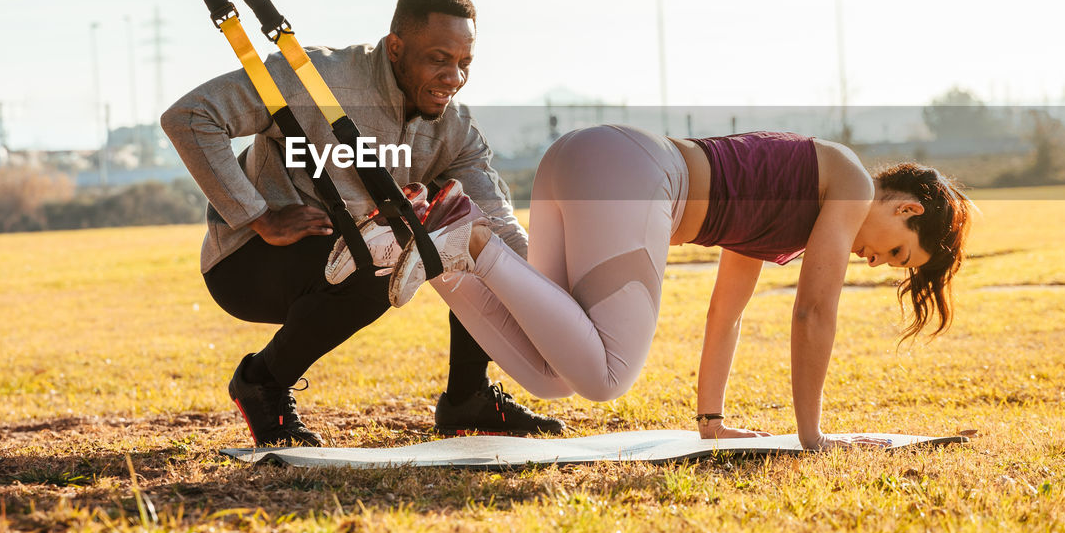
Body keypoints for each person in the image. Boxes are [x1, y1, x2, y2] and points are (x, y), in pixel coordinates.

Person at [380, 125, 972, 451]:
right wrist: (812, 436)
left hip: (587, 158)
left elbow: (726, 315)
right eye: (898, 250)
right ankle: (475, 242)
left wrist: (710, 419)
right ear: (906, 206)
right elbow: (813, 312)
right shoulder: (849, 183)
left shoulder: (794, 205)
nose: (875, 261)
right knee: (606, 375)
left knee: (550, 372)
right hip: (634, 175)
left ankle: (437, 247)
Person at [160, 0, 562, 446]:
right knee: (376, 258)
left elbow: (497, 225)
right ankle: (262, 382)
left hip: (357, 257)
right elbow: (191, 116)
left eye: (463, 63)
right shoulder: (314, 77)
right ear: (396, 48)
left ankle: (466, 397)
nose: (453, 77)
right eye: (438, 58)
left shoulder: (455, 130)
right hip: (250, 262)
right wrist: (258, 216)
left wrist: (541, 286)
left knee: (477, 244)